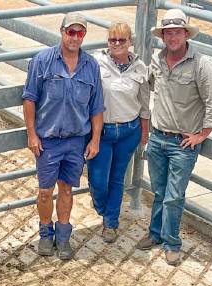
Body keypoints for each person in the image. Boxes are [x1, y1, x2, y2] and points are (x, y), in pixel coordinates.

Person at [140, 8, 212, 266]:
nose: (172, 37)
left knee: (174, 195)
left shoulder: (201, 64)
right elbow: (150, 85)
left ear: (186, 34)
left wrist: (202, 134)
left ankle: (172, 242)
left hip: (182, 143)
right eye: (168, 32)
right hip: (158, 136)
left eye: (177, 32)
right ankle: (155, 233)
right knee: (158, 190)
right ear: (163, 35)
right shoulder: (157, 59)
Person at [22, 12, 104, 260]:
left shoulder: (91, 66)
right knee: (45, 191)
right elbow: (29, 98)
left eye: (80, 33)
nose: (74, 37)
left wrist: (95, 139)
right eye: (71, 31)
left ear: (84, 36)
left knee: (67, 189)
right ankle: (46, 234)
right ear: (61, 31)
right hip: (48, 139)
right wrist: (32, 134)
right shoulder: (43, 60)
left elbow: (97, 107)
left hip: (76, 140)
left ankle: (64, 236)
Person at [88, 22, 150, 245]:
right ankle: (103, 207)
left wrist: (144, 132)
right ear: (107, 42)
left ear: (130, 42)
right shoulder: (96, 63)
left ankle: (110, 222)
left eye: (121, 40)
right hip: (102, 131)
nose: (116, 44)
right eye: (112, 39)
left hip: (128, 130)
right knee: (97, 180)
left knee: (117, 177)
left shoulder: (140, 68)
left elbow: (144, 103)